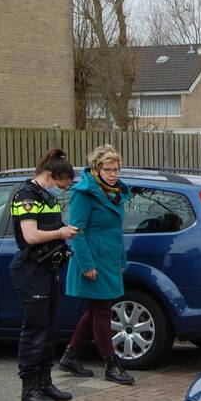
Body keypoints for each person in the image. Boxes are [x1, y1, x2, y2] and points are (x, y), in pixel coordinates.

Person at [59, 144, 135, 385]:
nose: (113, 174)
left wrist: (121, 258)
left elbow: (115, 230)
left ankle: (71, 355)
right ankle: (111, 364)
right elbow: (76, 231)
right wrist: (86, 265)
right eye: (109, 169)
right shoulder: (84, 193)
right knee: (102, 310)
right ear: (96, 169)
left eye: (117, 169)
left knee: (96, 309)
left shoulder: (115, 192)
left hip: (110, 259)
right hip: (92, 259)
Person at [10, 148, 79, 401]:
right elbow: (30, 236)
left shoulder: (46, 197)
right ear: (50, 175)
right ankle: (29, 388)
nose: (63, 189)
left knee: (50, 328)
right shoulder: (26, 196)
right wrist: (61, 233)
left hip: (49, 268)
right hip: (31, 270)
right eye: (62, 184)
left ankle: (45, 382)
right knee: (35, 329)